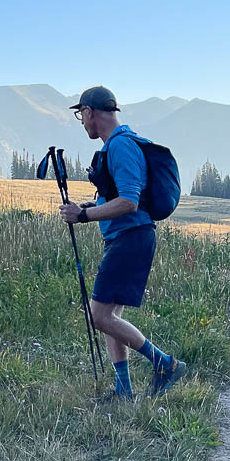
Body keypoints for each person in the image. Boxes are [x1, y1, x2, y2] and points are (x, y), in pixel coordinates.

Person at [58, 86, 186, 401]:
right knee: (110, 318)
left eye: (80, 115)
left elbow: (129, 202)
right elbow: (118, 197)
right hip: (125, 237)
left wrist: (82, 218)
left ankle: (165, 364)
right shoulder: (115, 145)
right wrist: (88, 208)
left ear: (90, 112)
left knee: (99, 316)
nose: (81, 121)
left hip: (131, 239)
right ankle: (123, 391)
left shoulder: (121, 146)